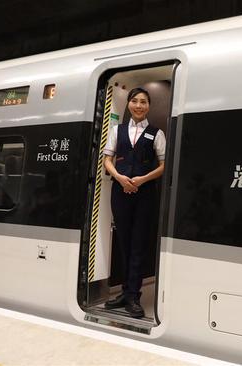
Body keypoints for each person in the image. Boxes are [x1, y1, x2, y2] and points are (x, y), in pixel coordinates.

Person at [102, 87, 165, 318]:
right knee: (124, 242)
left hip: (145, 194)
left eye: (144, 102)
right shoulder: (116, 130)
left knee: (138, 244)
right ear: (128, 103)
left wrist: (141, 179)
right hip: (120, 192)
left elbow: (163, 166)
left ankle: (134, 295)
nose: (139, 106)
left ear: (149, 106)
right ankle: (125, 292)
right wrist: (119, 177)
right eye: (135, 101)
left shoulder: (156, 133)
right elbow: (107, 159)